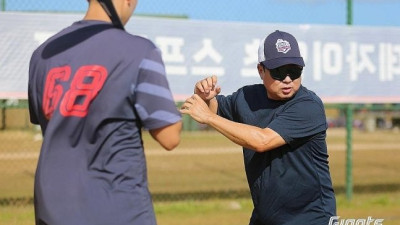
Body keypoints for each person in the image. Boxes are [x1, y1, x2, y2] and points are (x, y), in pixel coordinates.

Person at [28, 0, 182, 224]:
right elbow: (170, 136)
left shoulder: (41, 55)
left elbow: (45, 122)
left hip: (52, 208)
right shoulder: (140, 50)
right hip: (117, 208)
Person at [180, 30, 336, 225]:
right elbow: (216, 109)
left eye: (294, 71)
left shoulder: (308, 105)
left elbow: (262, 140)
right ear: (261, 70)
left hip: (309, 217)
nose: (287, 79)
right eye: (279, 71)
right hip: (265, 217)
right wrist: (206, 98)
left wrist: (208, 117)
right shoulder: (247, 97)